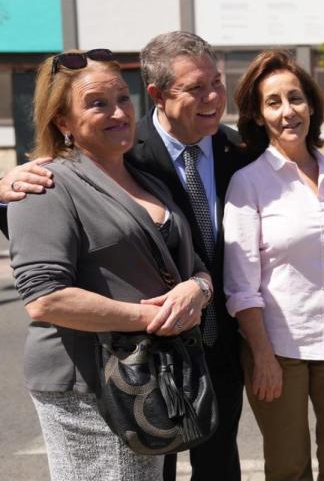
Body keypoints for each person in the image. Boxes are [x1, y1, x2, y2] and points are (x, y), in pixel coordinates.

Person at [0, 31, 324, 481]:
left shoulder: (238, 151)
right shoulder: (128, 150)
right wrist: (4, 192)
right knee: (153, 469)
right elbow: (54, 226)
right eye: (195, 88)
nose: (212, 97)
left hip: (220, 341)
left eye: (216, 83)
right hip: (136, 361)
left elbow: (292, 175)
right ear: (156, 94)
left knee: (219, 465)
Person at [8, 50, 213, 481]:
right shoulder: (47, 185)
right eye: (97, 103)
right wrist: (149, 317)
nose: (118, 111)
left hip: (147, 374)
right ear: (62, 122)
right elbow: (45, 299)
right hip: (87, 388)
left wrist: (198, 290)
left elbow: (193, 266)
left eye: (123, 97)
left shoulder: (146, 179)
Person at [222, 49, 324, 481]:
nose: (288, 111)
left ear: (312, 105)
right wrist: (262, 355)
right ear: (258, 113)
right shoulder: (248, 183)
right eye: (274, 102)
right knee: (289, 468)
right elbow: (241, 285)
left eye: (296, 98)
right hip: (279, 350)